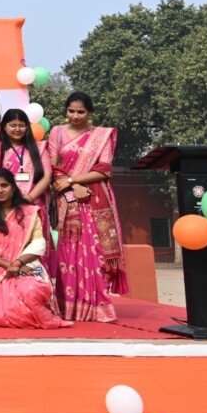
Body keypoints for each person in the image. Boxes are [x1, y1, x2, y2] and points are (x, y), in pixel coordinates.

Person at [47, 91, 127, 323]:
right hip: (68, 199)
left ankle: (98, 306)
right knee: (69, 251)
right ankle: (70, 307)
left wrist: (74, 180)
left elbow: (105, 168)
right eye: (71, 111)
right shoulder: (57, 132)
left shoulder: (101, 135)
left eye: (80, 112)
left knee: (96, 252)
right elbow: (53, 167)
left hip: (95, 197)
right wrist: (73, 187)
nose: (75, 116)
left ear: (89, 112)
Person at [0, 169, 72, 329]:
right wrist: (8, 265)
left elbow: (39, 243)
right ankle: (38, 319)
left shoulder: (30, 212)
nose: (0, 190)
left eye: (4, 185)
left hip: (27, 264)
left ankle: (45, 319)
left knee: (32, 290)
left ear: (13, 187)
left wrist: (18, 263)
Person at [0, 108, 55, 277]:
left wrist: (29, 197)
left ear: (28, 127)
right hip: (5, 207)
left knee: (34, 245)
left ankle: (38, 281)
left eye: (22, 125)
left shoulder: (39, 148)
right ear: (4, 127)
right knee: (8, 246)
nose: (17, 129)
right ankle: (8, 283)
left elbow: (47, 176)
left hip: (33, 205)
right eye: (12, 125)